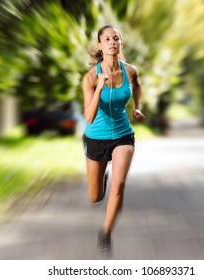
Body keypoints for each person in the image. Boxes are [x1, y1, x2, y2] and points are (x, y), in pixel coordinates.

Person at [82, 24, 145, 252]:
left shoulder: (130, 71)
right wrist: (99, 88)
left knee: (120, 184)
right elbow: (88, 117)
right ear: (100, 45)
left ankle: (106, 233)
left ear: (120, 43)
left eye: (116, 38)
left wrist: (137, 107)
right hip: (96, 138)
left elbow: (137, 86)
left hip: (122, 134)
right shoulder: (90, 78)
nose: (112, 42)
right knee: (94, 196)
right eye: (107, 39)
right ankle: (102, 180)